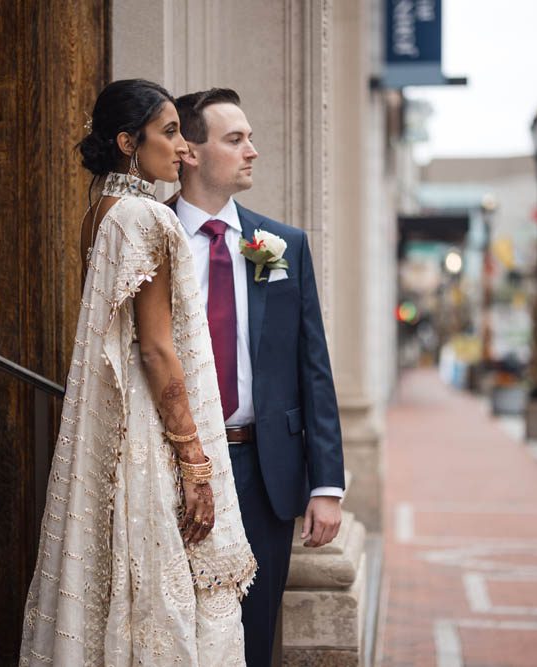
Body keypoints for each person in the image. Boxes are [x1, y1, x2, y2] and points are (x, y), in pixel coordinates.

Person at [18, 79, 256, 667]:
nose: (184, 149)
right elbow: (154, 349)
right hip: (149, 432)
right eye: (170, 133)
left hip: (114, 433)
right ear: (129, 143)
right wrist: (194, 461)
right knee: (162, 584)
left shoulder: (98, 214)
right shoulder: (146, 217)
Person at [172, 88, 346, 667]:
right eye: (235, 139)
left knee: (254, 632)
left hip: (262, 470)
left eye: (250, 137)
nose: (252, 150)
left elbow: (313, 368)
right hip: (175, 468)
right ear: (190, 152)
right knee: (176, 626)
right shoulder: (153, 238)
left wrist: (326, 485)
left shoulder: (279, 245)